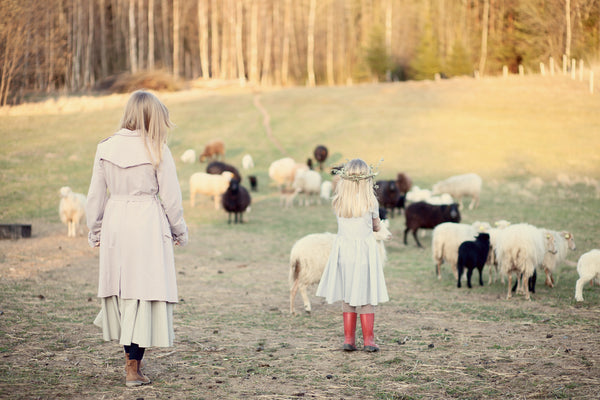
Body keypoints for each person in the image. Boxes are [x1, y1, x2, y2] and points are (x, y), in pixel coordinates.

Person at [86, 90, 188, 387]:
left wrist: (95, 230)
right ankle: (133, 367)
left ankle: (131, 364)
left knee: (124, 290)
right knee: (143, 291)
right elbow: (171, 198)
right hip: (146, 222)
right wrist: (179, 230)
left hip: (116, 221)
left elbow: (95, 197)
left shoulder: (105, 147)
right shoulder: (157, 149)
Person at [316, 158, 389, 352]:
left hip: (344, 252)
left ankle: (349, 340)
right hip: (364, 253)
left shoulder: (339, 201)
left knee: (348, 296)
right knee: (365, 297)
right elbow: (375, 226)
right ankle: (369, 341)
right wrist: (378, 225)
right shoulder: (370, 201)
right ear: (367, 179)